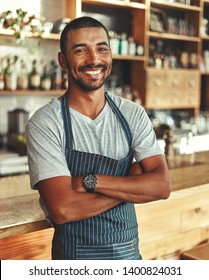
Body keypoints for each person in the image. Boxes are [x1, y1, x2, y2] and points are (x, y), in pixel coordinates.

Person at [26, 16, 171, 260]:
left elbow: (162, 186)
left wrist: (90, 181)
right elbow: (63, 209)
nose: (94, 60)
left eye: (101, 49)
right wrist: (129, 184)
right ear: (63, 60)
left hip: (129, 255)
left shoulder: (131, 114)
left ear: (110, 55)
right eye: (80, 50)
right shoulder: (46, 123)